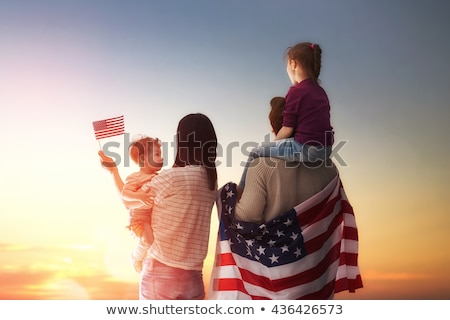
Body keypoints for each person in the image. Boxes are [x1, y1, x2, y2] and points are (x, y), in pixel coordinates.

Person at [208, 98, 363, 299]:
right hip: (315, 277)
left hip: (279, 278)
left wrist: (228, 195)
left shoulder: (262, 166)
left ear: (275, 127)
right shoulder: (329, 166)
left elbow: (247, 216)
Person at [100, 113, 218, 300]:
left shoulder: (170, 178)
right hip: (194, 277)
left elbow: (128, 202)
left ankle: (135, 256)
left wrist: (114, 171)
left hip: (161, 273)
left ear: (183, 142)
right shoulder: (211, 182)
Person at [238, 42, 334, 189]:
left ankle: (240, 192)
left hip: (306, 148)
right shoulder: (321, 92)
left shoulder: (296, 91)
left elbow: (287, 130)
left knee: (255, 151)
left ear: (293, 64)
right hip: (326, 149)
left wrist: (272, 146)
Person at [99, 135, 163, 273]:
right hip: (139, 219)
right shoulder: (135, 177)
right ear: (143, 159)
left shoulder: (158, 177)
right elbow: (125, 194)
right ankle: (135, 258)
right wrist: (140, 197)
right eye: (157, 154)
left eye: (161, 154)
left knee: (152, 241)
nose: (161, 158)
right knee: (147, 240)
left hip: (150, 218)